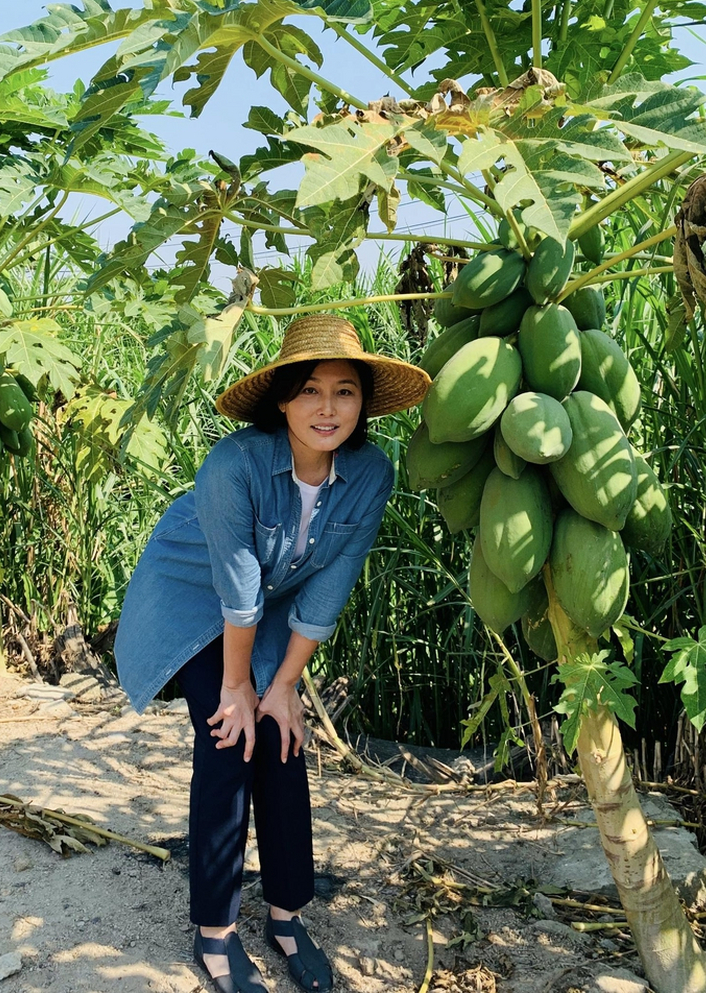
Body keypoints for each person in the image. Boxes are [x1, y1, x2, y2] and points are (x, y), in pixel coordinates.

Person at [115, 314, 429, 993]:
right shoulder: (236, 463)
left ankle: (285, 915)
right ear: (280, 401)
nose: (326, 408)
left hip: (273, 598)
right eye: (308, 391)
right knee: (230, 737)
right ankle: (216, 934)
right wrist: (238, 686)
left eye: (344, 392)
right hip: (191, 592)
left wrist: (283, 683)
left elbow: (332, 584)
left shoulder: (372, 470)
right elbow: (233, 586)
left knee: (282, 737)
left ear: (363, 405)